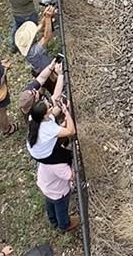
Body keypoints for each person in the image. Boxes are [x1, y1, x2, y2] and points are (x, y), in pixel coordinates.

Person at [27, 90, 77, 233]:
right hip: (58, 193)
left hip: (44, 181)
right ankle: (64, 225)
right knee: (68, 156)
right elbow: (71, 131)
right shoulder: (47, 128)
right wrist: (66, 112)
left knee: (50, 205)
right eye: (49, 107)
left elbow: (53, 112)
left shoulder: (33, 119)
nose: (51, 107)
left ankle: (52, 221)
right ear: (44, 115)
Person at [13, 6, 58, 75]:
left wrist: (45, 15)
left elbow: (40, 25)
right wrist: (48, 18)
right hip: (45, 72)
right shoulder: (33, 52)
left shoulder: (26, 43)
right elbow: (47, 37)